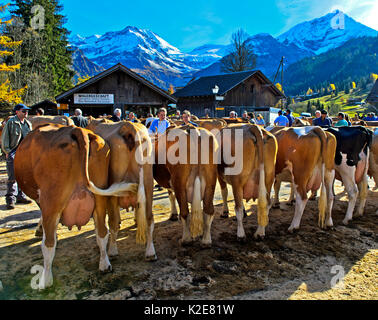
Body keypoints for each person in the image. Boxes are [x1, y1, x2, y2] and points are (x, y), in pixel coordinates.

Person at [1, 104, 33, 210]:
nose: (26, 113)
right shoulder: (11, 122)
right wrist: (7, 151)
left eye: (27, 111)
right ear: (17, 112)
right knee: (12, 177)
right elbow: (5, 138)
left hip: (25, 153)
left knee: (23, 176)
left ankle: (21, 196)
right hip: (13, 152)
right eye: (23, 111)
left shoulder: (28, 124)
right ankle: (10, 199)